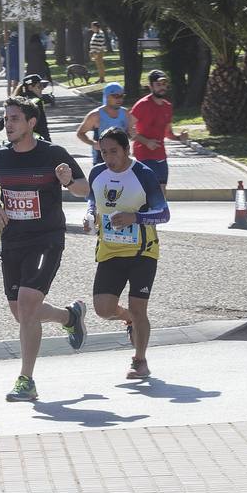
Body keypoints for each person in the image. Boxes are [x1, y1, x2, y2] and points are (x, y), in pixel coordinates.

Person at [0, 96, 90, 402]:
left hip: (46, 239)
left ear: (31, 123)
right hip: (12, 239)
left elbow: (84, 190)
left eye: (15, 118)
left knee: (28, 305)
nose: (8, 124)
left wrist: (69, 181)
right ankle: (69, 317)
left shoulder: (53, 153)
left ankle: (26, 380)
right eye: (6, 118)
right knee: (20, 312)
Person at [84, 128, 168, 379]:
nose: (108, 158)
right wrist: (89, 216)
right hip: (110, 252)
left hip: (143, 252)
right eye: (103, 152)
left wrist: (135, 217)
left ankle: (139, 360)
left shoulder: (143, 174)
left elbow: (164, 213)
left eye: (114, 151)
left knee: (139, 307)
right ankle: (129, 319)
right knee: (103, 309)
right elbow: (92, 201)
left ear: (126, 150)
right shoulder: (97, 172)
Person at [129, 70, 191, 189]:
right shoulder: (142, 105)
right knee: (149, 190)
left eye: (164, 84)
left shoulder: (167, 106)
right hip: (144, 155)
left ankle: (161, 208)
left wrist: (180, 137)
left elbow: (168, 133)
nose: (162, 87)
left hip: (161, 155)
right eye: (158, 85)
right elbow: (128, 128)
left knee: (162, 191)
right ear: (151, 86)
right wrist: (146, 142)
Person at [0, 74, 55, 142]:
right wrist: (49, 143)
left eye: (43, 86)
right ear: (30, 87)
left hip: (17, 140)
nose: (42, 88)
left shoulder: (17, 101)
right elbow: (43, 126)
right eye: (39, 86)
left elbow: (3, 121)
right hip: (33, 142)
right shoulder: (36, 101)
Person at [76, 84, 129, 165]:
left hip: (122, 159)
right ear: (107, 96)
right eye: (116, 96)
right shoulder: (95, 115)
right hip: (101, 160)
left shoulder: (125, 113)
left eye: (122, 96)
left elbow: (129, 133)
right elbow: (80, 133)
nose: (120, 99)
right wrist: (93, 143)